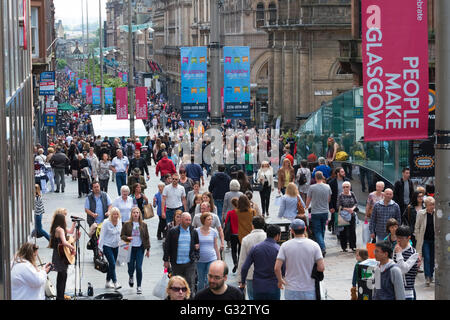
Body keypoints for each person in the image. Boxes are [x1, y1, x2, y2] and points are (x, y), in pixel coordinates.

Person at [275, 219, 324, 300]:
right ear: (305, 229)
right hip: (309, 288)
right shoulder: (314, 245)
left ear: (292, 231)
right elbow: (321, 267)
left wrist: (280, 280)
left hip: (291, 288)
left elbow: (277, 268)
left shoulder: (285, 246)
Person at [240, 224, 283, 300]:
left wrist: (243, 282)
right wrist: (281, 280)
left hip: (258, 287)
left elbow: (245, 267)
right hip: (273, 286)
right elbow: (282, 268)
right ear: (277, 235)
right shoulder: (278, 249)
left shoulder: (255, 248)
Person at [163, 212, 200, 295]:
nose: (188, 222)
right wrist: (166, 260)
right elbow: (167, 246)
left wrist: (196, 257)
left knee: (190, 284)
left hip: (190, 263)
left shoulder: (193, 232)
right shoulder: (173, 231)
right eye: (186, 220)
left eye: (190, 220)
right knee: (177, 285)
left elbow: (197, 245)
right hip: (176, 263)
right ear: (181, 220)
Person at [121, 207, 151, 294]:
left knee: (138, 267)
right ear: (131, 214)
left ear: (139, 214)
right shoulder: (127, 224)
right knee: (130, 267)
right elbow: (122, 236)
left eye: (137, 212)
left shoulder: (143, 225)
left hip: (140, 248)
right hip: (130, 248)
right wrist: (127, 238)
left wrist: (148, 249)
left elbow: (146, 237)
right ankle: (131, 276)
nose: (135, 214)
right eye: (134, 212)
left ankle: (139, 286)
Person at [48, 213, 77, 300]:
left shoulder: (57, 228)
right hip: (61, 255)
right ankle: (60, 297)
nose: (65, 220)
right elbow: (64, 242)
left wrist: (74, 223)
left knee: (61, 276)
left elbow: (71, 232)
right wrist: (73, 248)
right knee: (63, 276)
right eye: (64, 219)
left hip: (58, 254)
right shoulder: (60, 230)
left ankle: (60, 296)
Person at [306, 171, 332, 256]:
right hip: (325, 211)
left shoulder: (312, 187)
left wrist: (306, 206)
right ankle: (321, 246)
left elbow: (308, 199)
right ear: (322, 177)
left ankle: (322, 247)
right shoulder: (327, 187)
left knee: (317, 231)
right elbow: (328, 199)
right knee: (323, 229)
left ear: (316, 178)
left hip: (315, 211)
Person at [98, 207, 122, 290]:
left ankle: (108, 282)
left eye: (117, 214)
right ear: (111, 215)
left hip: (116, 246)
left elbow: (120, 234)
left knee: (112, 264)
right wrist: (100, 249)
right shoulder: (106, 223)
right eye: (114, 214)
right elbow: (102, 236)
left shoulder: (119, 221)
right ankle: (115, 282)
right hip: (107, 245)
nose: (116, 216)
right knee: (112, 263)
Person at [393, 225, 419, 300]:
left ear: (408, 238)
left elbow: (403, 270)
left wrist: (399, 254)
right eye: (397, 237)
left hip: (406, 291)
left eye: (401, 238)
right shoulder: (396, 250)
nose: (398, 240)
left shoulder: (413, 253)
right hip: (394, 289)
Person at [196, 213, 220, 291]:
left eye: (211, 219)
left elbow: (216, 246)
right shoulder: (196, 231)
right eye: (208, 219)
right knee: (201, 280)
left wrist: (218, 259)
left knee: (209, 279)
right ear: (204, 220)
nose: (211, 221)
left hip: (211, 258)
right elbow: (193, 244)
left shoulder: (214, 232)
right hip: (200, 259)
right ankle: (199, 296)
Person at [414, 196, 435, 287]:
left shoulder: (436, 213)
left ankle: (431, 275)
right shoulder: (421, 213)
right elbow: (417, 227)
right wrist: (418, 238)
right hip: (424, 240)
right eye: (430, 205)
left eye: (433, 204)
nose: (432, 206)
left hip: (434, 240)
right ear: (426, 205)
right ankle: (427, 276)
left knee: (433, 259)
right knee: (426, 257)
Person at [336, 181, 358, 252]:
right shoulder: (340, 195)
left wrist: (352, 209)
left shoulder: (352, 194)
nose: (345, 188)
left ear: (350, 187)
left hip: (351, 215)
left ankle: (353, 246)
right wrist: (346, 209)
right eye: (344, 187)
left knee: (352, 230)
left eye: (347, 187)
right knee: (343, 231)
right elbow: (338, 205)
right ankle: (344, 247)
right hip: (343, 215)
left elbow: (356, 203)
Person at [328, 167, 351, 234]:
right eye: (342, 172)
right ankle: (336, 232)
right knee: (336, 219)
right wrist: (330, 206)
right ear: (338, 173)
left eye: (344, 171)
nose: (344, 173)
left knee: (345, 219)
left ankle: (343, 233)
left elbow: (351, 193)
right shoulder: (332, 182)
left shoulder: (347, 181)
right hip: (336, 204)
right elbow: (330, 196)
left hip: (346, 204)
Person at [224, 198, 240, 272]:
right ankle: (240, 262)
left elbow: (226, 222)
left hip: (233, 234)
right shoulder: (241, 212)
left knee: (233, 250)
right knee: (240, 249)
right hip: (241, 233)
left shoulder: (230, 213)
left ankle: (235, 262)